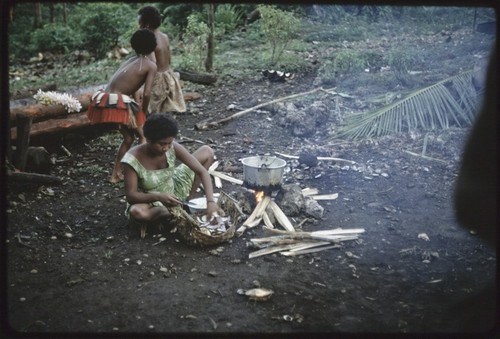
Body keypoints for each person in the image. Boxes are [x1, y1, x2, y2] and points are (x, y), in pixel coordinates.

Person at [121, 113, 219, 237]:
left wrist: (210, 201)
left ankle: (189, 202)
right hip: (152, 199)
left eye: (169, 143)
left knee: (207, 152)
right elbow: (131, 195)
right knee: (137, 212)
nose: (166, 148)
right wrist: (158, 197)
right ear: (149, 140)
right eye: (162, 144)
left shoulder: (172, 147)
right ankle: (175, 213)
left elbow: (202, 172)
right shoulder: (132, 160)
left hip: (175, 186)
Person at [87, 29, 157, 183]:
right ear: (153, 46)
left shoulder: (130, 60)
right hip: (117, 102)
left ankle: (115, 175)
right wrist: (143, 111)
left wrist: (138, 109)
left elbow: (132, 87)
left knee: (128, 137)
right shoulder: (151, 65)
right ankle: (139, 176)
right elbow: (146, 94)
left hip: (104, 99)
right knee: (143, 135)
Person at [138, 5, 187, 114]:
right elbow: (169, 60)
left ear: (145, 22)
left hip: (157, 80)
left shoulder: (149, 39)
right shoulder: (164, 36)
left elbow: (153, 63)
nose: (138, 22)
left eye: (140, 20)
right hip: (169, 76)